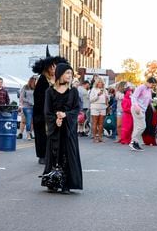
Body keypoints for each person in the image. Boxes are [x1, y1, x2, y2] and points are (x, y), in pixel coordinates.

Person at [42, 63, 83, 194]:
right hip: (55, 129)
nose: (69, 76)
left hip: (68, 129)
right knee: (54, 153)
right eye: (67, 73)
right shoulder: (49, 91)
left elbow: (76, 109)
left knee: (67, 154)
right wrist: (56, 119)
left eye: (70, 74)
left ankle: (66, 184)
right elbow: (47, 111)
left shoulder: (73, 92)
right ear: (60, 74)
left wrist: (65, 115)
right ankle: (52, 182)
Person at [32, 47, 68, 164]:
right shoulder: (42, 80)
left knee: (54, 134)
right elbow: (39, 99)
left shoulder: (56, 80)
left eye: (55, 66)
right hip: (42, 113)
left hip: (54, 112)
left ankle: (54, 154)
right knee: (42, 134)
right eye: (52, 67)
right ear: (47, 68)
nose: (54, 68)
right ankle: (42, 155)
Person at [130, 77, 157, 151]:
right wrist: (136, 106)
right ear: (149, 82)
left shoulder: (149, 90)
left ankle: (135, 143)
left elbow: (148, 99)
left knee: (137, 127)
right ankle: (133, 142)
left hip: (143, 110)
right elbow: (134, 97)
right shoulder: (141, 87)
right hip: (137, 109)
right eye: (153, 85)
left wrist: (152, 104)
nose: (153, 86)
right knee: (142, 126)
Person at [88, 77, 108, 142]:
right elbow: (91, 99)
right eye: (99, 82)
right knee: (95, 123)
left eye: (101, 82)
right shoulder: (93, 89)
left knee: (101, 123)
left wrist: (107, 98)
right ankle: (94, 138)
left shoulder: (105, 90)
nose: (100, 83)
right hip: (95, 107)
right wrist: (98, 95)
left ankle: (100, 137)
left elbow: (107, 100)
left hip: (103, 107)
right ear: (96, 83)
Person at [18, 75, 36, 140]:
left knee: (31, 121)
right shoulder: (25, 87)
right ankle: (20, 133)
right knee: (24, 120)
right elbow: (22, 97)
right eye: (34, 80)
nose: (35, 82)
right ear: (31, 81)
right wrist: (29, 101)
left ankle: (30, 133)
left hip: (34, 106)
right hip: (26, 106)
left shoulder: (36, 88)